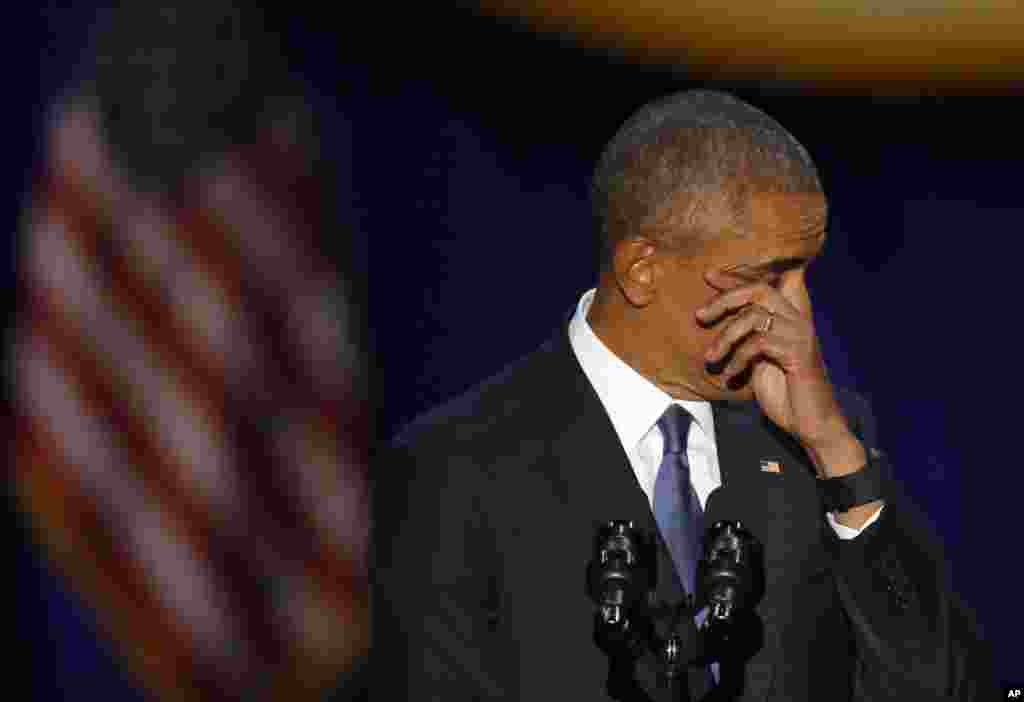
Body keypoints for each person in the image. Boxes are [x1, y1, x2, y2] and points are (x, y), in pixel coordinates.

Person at [372, 89, 995, 701]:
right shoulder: (450, 473)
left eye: (806, 276)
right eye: (768, 278)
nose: (799, 314)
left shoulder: (823, 446)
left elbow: (945, 685)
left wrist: (836, 454)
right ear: (642, 271)